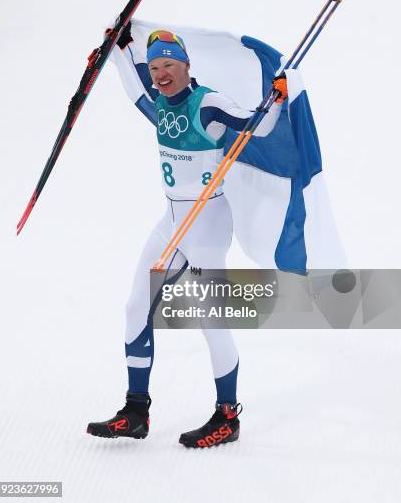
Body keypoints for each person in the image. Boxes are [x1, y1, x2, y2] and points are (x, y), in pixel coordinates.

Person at [86, 25, 288, 448]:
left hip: (207, 225)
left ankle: (227, 418)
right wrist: (117, 48)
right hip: (172, 222)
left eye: (169, 66)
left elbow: (258, 126)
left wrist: (277, 98)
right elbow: (135, 87)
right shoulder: (160, 103)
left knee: (210, 320)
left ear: (186, 65)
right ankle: (135, 411)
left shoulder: (207, 103)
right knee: (135, 308)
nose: (161, 74)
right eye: (155, 66)